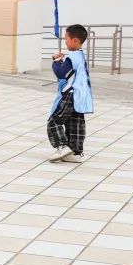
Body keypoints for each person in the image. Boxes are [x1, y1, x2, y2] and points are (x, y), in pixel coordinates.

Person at [48, 24, 93, 163]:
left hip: (71, 94)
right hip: (82, 95)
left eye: (66, 38)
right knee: (76, 123)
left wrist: (56, 62)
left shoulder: (71, 57)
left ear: (74, 40)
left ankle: (62, 145)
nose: (65, 41)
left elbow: (62, 73)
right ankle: (76, 153)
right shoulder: (80, 55)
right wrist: (62, 60)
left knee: (54, 120)